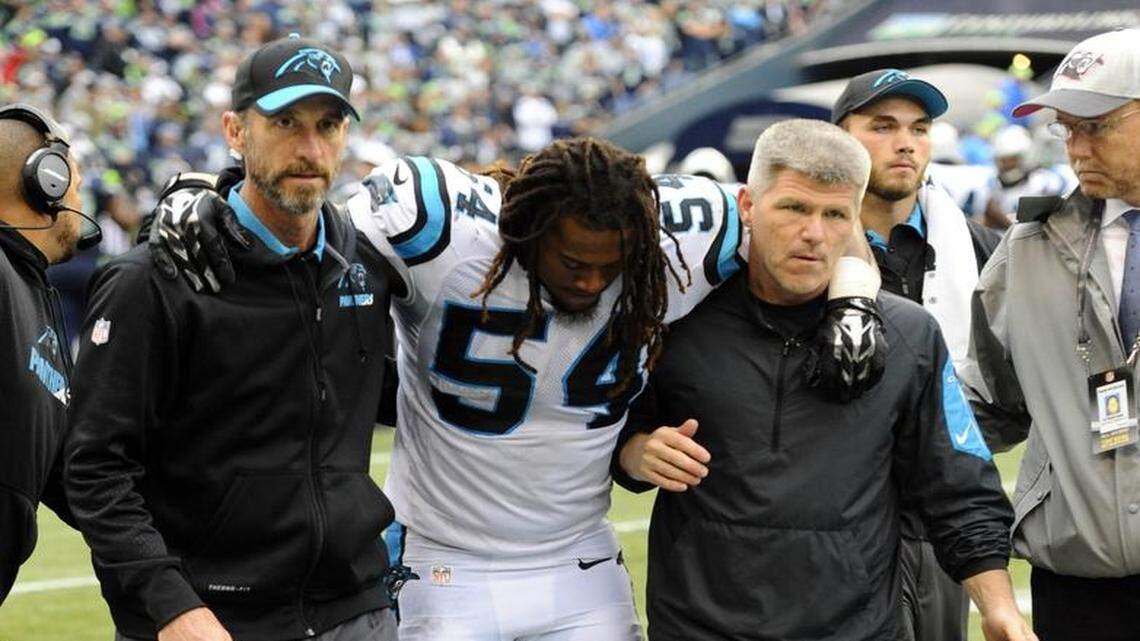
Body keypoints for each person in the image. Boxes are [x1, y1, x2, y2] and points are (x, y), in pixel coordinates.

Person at [148, 133, 889, 638]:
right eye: (572, 262)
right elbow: (306, 224)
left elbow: (827, 220)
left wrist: (854, 294)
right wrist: (200, 190)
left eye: (614, 266)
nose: (594, 280)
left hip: (579, 561)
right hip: (441, 561)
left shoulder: (683, 234)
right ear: (521, 234)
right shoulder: (441, 229)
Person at [613, 118, 1033, 641]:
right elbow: (610, 434)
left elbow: (958, 485)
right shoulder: (679, 320)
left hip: (854, 628)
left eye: (835, 214)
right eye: (793, 208)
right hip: (701, 624)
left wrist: (1000, 608)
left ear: (855, 218)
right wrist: (637, 451)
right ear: (747, 205)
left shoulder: (907, 334)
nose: (814, 234)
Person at [64, 35, 400, 641]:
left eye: (329, 124)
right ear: (235, 132)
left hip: (357, 611)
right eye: (285, 123)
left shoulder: (366, 267)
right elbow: (94, 466)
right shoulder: (154, 278)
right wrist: (170, 605)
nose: (310, 147)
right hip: (208, 621)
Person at [963, 28, 1140, 641]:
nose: (1076, 147)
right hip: (1077, 580)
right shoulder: (1029, 248)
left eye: (1098, 125)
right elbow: (984, 403)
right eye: (1067, 128)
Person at [831, 68, 1002, 641]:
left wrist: (949, 440)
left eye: (919, 128)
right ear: (840, 138)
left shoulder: (980, 250)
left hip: (935, 520)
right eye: (882, 126)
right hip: (828, 513)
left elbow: (1015, 385)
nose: (905, 142)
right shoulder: (803, 247)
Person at [0, 103, 92, 604]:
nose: (81, 198)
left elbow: (75, 474)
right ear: (46, 184)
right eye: (75, 182)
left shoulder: (34, 293)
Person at [989, 124, 1071, 225]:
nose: (1006, 165)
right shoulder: (994, 186)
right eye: (1002, 161)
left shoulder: (1044, 181)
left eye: (1011, 160)